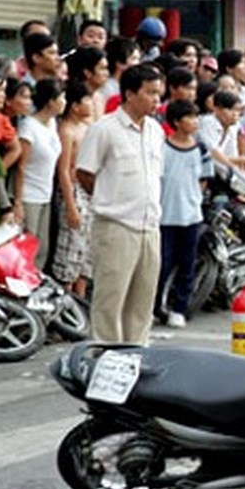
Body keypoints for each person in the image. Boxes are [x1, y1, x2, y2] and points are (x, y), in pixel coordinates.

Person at [76, 63, 166, 344]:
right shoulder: (104, 129)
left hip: (149, 226)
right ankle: (106, 358)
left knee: (142, 301)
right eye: (150, 93)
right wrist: (110, 198)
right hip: (116, 226)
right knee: (110, 298)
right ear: (129, 93)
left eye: (158, 93)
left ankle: (136, 355)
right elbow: (84, 173)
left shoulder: (155, 130)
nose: (156, 100)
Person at [154, 100, 213, 328]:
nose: (195, 121)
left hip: (191, 216)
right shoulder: (163, 148)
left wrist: (194, 198)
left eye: (196, 116)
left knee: (187, 264)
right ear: (177, 122)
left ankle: (180, 308)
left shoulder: (200, 148)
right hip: (165, 215)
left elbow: (204, 179)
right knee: (162, 263)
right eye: (189, 117)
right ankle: (156, 307)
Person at [14, 79, 64, 269]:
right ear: (51, 101)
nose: (64, 102)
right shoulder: (28, 127)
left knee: (42, 247)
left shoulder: (52, 123)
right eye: (61, 98)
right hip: (29, 195)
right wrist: (18, 202)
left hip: (46, 194)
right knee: (27, 246)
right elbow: (21, 166)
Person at [54, 82, 95, 296]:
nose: (91, 104)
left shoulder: (87, 127)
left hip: (90, 192)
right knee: (70, 252)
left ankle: (80, 301)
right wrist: (70, 206)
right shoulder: (66, 131)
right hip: (74, 191)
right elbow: (63, 170)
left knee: (86, 255)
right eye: (86, 100)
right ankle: (66, 303)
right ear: (75, 106)